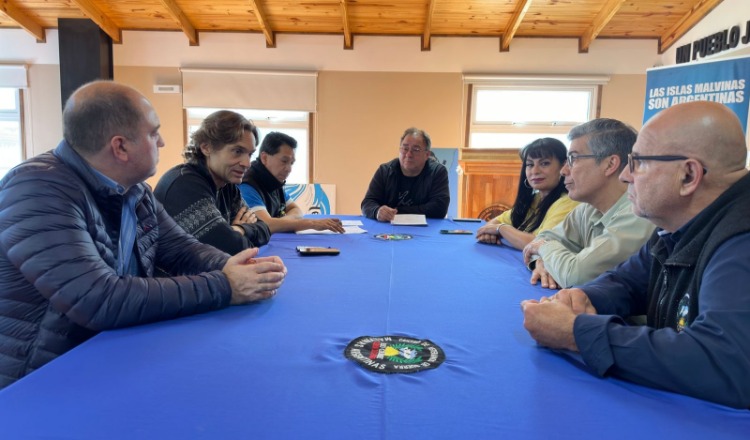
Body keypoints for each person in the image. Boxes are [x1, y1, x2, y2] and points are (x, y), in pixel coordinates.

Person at [0, 81, 287, 389]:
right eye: (153, 133)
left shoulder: (135, 190)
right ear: (120, 147)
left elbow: (182, 249)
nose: (162, 142)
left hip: (108, 355)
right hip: (39, 379)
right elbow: (97, 299)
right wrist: (226, 285)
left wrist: (236, 267)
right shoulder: (36, 189)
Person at [520, 101, 750, 409]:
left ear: (688, 175)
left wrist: (575, 332)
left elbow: (726, 362)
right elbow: (628, 281)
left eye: (638, 162)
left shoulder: (741, 239)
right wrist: (581, 298)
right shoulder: (677, 225)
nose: (626, 175)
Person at [522, 119, 655, 289]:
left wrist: (544, 249)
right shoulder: (588, 209)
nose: (563, 171)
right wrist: (541, 261)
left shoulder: (638, 215)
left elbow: (575, 277)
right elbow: (541, 239)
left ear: (610, 164)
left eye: (573, 158)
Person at [154, 110, 271, 254]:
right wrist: (238, 234)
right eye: (237, 151)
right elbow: (232, 248)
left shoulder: (227, 185)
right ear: (206, 147)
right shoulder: (184, 185)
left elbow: (265, 230)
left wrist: (240, 229)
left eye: (250, 154)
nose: (247, 164)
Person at [475, 138, 579, 250]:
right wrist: (491, 231)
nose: (535, 171)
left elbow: (541, 244)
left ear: (563, 166)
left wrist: (501, 229)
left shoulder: (569, 202)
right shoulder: (536, 199)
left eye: (544, 163)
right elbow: (495, 222)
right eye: (530, 164)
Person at [240, 132, 344, 233]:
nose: (289, 169)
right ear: (264, 158)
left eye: (292, 163)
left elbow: (296, 210)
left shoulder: (273, 180)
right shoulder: (247, 185)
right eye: (284, 161)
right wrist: (312, 223)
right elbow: (267, 225)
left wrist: (280, 223)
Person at [361, 127, 450, 221]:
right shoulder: (385, 171)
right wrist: (377, 211)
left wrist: (397, 212)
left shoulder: (437, 172)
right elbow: (367, 202)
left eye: (416, 149)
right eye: (405, 148)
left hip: (426, 227)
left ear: (427, 155)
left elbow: (439, 208)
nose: (408, 154)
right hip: (388, 227)